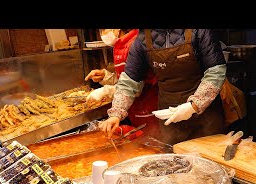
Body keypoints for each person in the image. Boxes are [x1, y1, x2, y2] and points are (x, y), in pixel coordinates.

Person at [97, 29, 227, 145]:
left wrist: (194, 105)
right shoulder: (142, 39)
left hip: (206, 115)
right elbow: (129, 81)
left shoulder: (200, 31)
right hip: (169, 116)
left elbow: (215, 71)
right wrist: (116, 113)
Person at [85, 29, 160, 137]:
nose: (102, 33)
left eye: (104, 29)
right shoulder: (119, 46)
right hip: (133, 110)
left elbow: (135, 84)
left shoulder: (135, 43)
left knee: (153, 142)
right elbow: (125, 78)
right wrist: (106, 77)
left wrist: (107, 91)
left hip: (148, 109)